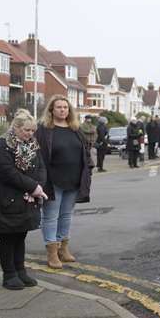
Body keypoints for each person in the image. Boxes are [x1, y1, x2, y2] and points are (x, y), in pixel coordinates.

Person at [0, 109, 49, 289]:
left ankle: (21, 271)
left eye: (32, 131)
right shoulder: (1, 145)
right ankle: (9, 274)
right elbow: (7, 173)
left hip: (26, 199)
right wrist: (33, 187)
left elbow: (41, 168)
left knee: (20, 236)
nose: (30, 134)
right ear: (16, 128)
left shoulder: (32, 145)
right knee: (8, 238)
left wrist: (38, 186)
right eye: (26, 130)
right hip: (6, 200)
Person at [36, 95, 93, 269]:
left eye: (65, 107)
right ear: (51, 110)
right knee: (51, 216)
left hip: (74, 179)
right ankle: (52, 252)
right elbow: (38, 156)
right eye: (59, 107)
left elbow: (85, 152)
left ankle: (63, 248)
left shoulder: (75, 129)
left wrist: (89, 169)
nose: (62, 110)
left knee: (66, 215)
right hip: (52, 181)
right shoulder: (44, 130)